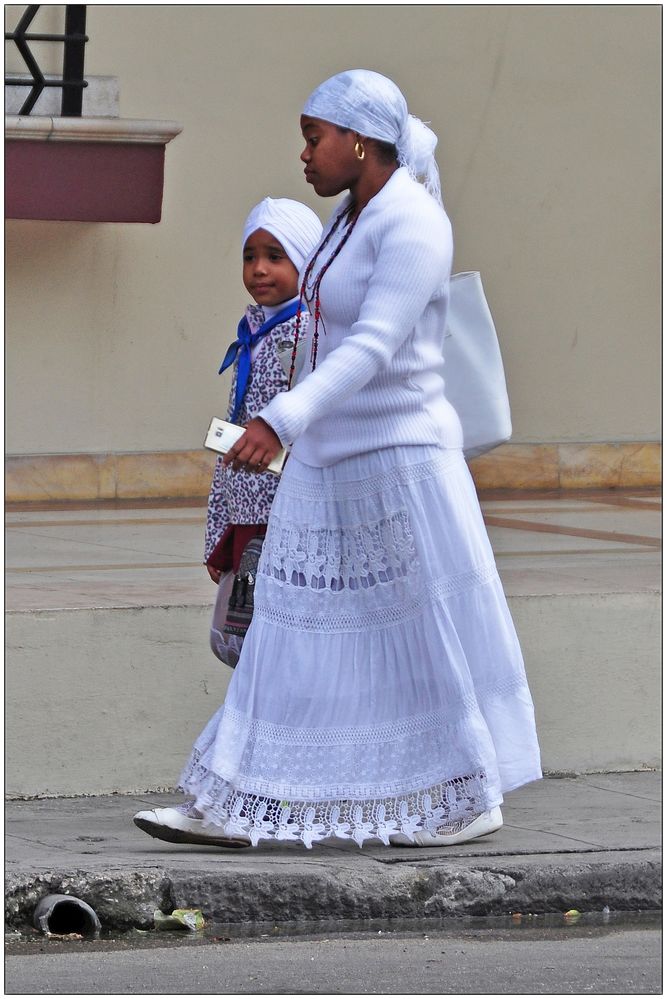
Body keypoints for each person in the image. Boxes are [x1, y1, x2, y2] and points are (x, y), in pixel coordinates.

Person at [134, 69, 541, 851]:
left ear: (360, 140)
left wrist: (278, 422)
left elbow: (372, 344)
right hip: (328, 465)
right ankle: (234, 795)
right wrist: (291, 430)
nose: (304, 154)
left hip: (399, 464)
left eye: (313, 136)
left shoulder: (412, 224)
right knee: (284, 623)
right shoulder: (351, 220)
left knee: (426, 637)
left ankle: (470, 794)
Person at [205, 198, 323, 668]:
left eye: (276, 256)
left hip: (286, 514)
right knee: (238, 641)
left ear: (307, 262)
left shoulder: (305, 333)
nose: (258, 269)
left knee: (277, 641)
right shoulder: (255, 330)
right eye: (250, 256)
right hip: (247, 508)